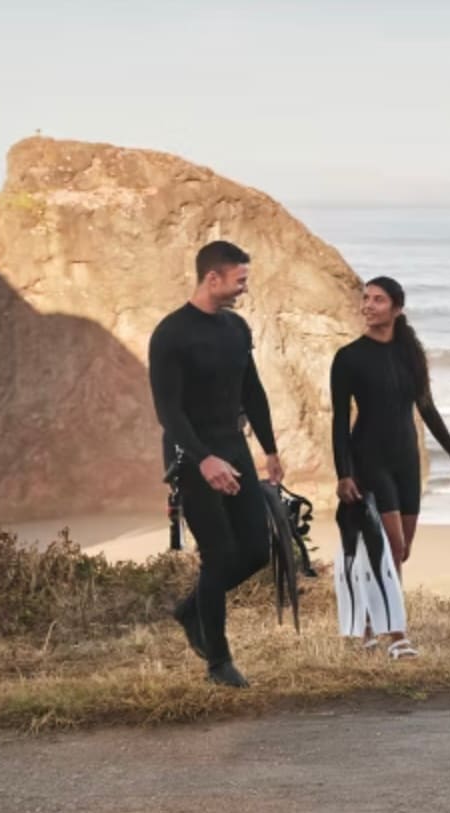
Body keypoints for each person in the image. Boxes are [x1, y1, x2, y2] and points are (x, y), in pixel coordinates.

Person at [149, 240, 285, 689]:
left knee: (256, 551)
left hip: (234, 448)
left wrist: (270, 450)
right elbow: (169, 412)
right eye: (239, 280)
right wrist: (203, 459)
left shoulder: (237, 329)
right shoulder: (171, 334)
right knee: (219, 555)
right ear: (213, 278)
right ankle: (219, 662)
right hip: (191, 456)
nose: (245, 288)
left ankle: (192, 610)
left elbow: (252, 391)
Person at [329, 276, 450, 657]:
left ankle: (369, 621)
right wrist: (343, 473)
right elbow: (340, 421)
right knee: (390, 547)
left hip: (406, 460)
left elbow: (426, 408)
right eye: (366, 298)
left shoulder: (410, 353)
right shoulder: (349, 357)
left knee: (402, 550)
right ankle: (396, 635)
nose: (367, 305)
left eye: (377, 300)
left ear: (397, 308)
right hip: (369, 458)